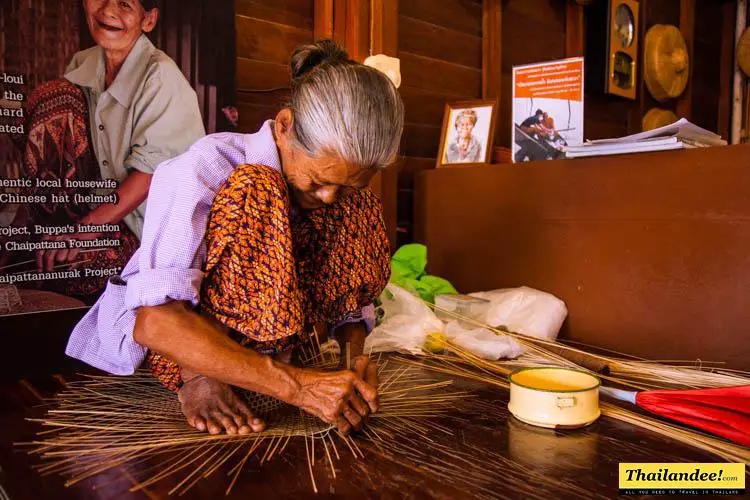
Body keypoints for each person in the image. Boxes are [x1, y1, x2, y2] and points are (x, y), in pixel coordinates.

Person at [67, 40, 405, 437]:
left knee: (359, 205)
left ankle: (267, 364)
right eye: (318, 181)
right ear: (284, 126)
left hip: (281, 345)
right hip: (182, 346)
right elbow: (154, 323)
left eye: (344, 185)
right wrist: (295, 387)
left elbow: (351, 299)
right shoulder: (207, 167)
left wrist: (354, 367)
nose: (329, 197)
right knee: (257, 189)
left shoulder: (344, 197)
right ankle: (200, 375)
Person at [3, 0, 204, 298]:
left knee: (74, 271)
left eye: (125, 4)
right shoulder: (83, 65)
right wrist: (24, 226)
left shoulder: (160, 77)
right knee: (53, 96)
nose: (108, 11)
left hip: (146, 233)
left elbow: (150, 176)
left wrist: (82, 233)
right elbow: (58, 154)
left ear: (147, 20)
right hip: (97, 213)